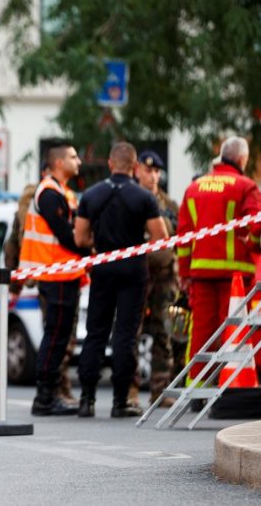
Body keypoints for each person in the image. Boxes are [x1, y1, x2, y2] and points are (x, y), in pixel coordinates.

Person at [74, 142, 167, 418]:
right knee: (125, 335)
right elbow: (161, 238)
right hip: (133, 269)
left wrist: (98, 243)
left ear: (111, 164)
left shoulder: (92, 195)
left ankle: (86, 399)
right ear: (135, 166)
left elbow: (80, 238)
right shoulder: (144, 198)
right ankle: (120, 400)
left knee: (96, 332)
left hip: (103, 266)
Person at [177, 137, 261, 387]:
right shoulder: (245, 186)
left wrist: (184, 273)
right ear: (242, 159)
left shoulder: (194, 188)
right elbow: (257, 225)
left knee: (201, 329)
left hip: (200, 272)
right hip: (235, 274)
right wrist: (253, 244)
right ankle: (231, 385)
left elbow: (183, 236)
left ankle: (197, 386)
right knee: (234, 331)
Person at [18, 145, 87, 416]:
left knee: (59, 338)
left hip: (64, 274)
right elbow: (67, 235)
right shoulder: (49, 193)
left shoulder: (63, 192)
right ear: (58, 162)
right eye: (73, 156)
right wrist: (91, 248)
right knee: (55, 337)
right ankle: (45, 397)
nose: (78, 160)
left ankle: (50, 394)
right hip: (55, 274)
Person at [133, 151, 180, 407]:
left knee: (164, 332)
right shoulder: (129, 198)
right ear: (136, 169)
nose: (152, 176)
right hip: (136, 276)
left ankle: (160, 391)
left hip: (164, 278)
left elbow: (180, 239)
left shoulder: (169, 205)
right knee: (132, 332)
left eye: (156, 172)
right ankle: (129, 391)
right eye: (147, 170)